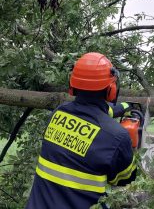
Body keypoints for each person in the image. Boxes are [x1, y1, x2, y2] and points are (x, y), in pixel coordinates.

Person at [25, 52, 137, 209]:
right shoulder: (117, 137)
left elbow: (91, 112)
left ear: (72, 85)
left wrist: (124, 107)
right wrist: (131, 145)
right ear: (111, 89)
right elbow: (125, 179)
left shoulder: (59, 113)